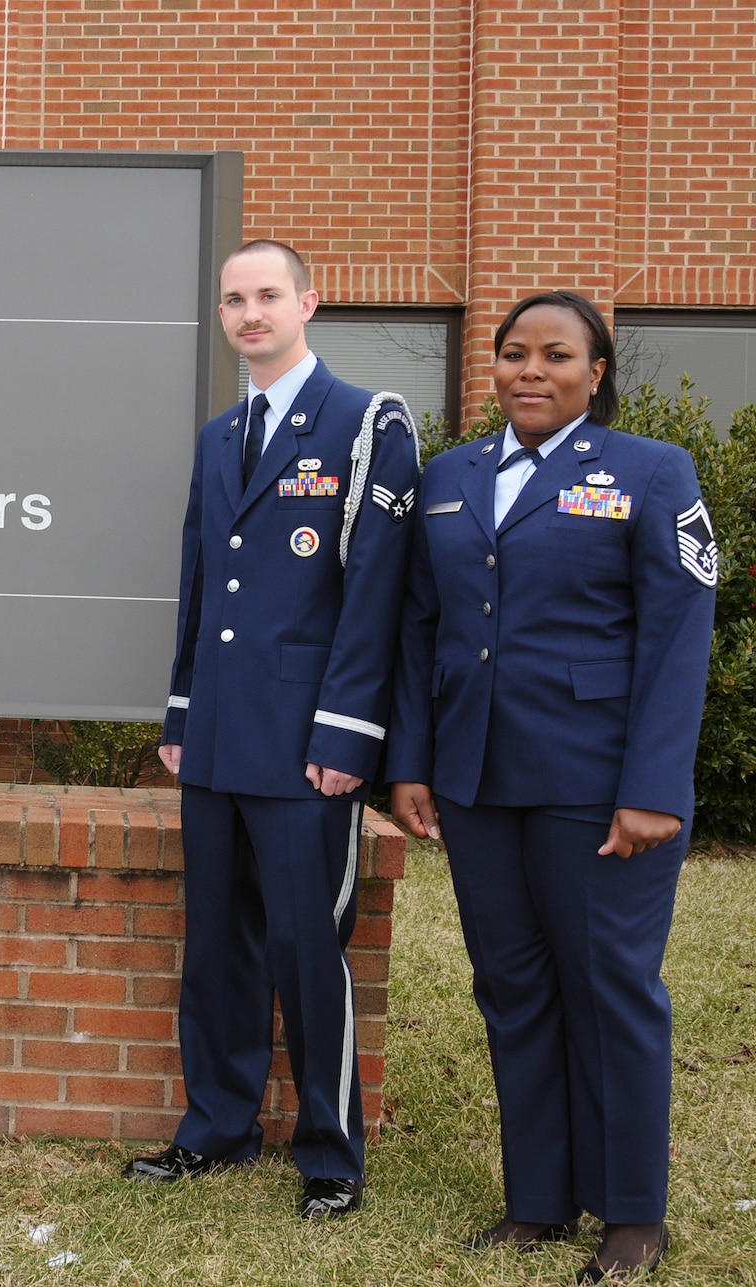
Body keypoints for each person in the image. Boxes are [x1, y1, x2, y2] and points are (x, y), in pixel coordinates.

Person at [387, 291, 714, 1283]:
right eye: (512, 354)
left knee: (609, 989)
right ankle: (535, 1200)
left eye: (554, 355)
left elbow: (674, 638)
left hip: (597, 783)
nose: (529, 371)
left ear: (594, 371)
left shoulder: (648, 473)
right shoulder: (447, 478)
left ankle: (628, 1217)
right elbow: (416, 629)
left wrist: (652, 786)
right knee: (513, 987)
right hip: (477, 779)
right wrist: (408, 760)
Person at [132, 240, 420, 1219]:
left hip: (306, 745)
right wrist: (180, 709)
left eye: (265, 295)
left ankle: (329, 1155)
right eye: (232, 300)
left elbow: (373, 592)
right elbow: (198, 584)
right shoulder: (220, 435)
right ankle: (213, 1128)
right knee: (214, 943)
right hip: (216, 736)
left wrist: (346, 735)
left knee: (305, 946)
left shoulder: (361, 423)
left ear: (306, 301)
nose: (248, 313)